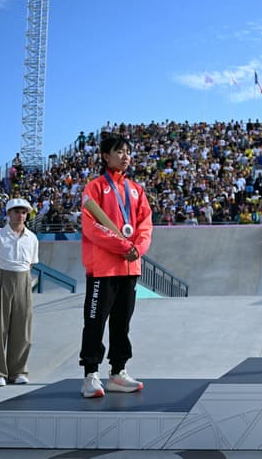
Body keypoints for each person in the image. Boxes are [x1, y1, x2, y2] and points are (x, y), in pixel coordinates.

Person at [79, 135, 153, 398]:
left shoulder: (136, 189)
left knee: (123, 323)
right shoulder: (95, 188)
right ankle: (90, 374)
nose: (125, 156)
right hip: (103, 268)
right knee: (95, 321)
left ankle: (118, 372)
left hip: (130, 267)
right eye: (119, 151)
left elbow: (145, 224)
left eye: (128, 152)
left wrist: (138, 249)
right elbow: (92, 226)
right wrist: (124, 247)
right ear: (105, 156)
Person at [0, 197, 39, 387]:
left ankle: (18, 371)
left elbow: (31, 263)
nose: (20, 215)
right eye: (16, 211)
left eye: (24, 212)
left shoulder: (32, 238)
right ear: (8, 214)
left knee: (22, 327)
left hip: (24, 279)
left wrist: (22, 281)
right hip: (2, 278)